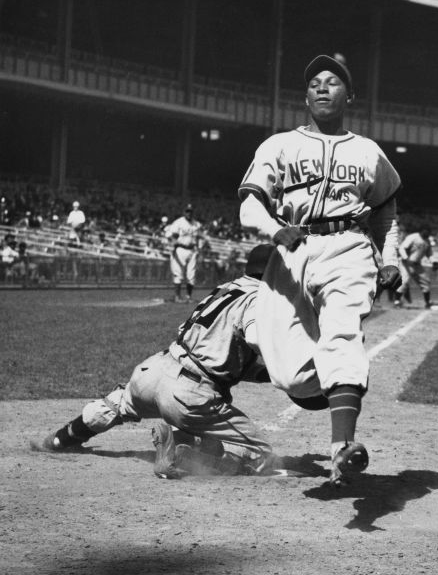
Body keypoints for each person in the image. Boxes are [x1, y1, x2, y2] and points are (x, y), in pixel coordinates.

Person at [237, 53, 403, 486]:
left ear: (350, 95)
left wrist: (390, 258)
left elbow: (386, 212)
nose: (323, 87)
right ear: (306, 96)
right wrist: (275, 231)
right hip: (291, 248)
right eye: (315, 82)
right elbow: (250, 203)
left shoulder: (368, 151)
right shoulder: (279, 144)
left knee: (342, 332)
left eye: (333, 81)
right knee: (288, 371)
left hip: (347, 245)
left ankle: (342, 447)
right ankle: (331, 391)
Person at [32, 245, 280, 479]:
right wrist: (287, 366)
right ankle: (179, 447)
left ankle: (60, 440)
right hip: (190, 395)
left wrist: (268, 374)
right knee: (261, 455)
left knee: (117, 404)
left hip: (155, 370)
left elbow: (220, 356)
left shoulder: (226, 287)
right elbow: (256, 340)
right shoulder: (260, 298)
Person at [164, 204, 204, 303]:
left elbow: (200, 237)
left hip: (192, 250)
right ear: (184, 212)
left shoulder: (197, 224)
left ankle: (188, 297)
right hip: (180, 249)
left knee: (191, 274)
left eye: (190, 211)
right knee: (178, 273)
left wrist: (200, 250)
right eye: (187, 211)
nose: (189, 213)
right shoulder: (178, 222)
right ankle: (177, 297)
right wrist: (173, 241)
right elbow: (169, 234)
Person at [395, 224, 435, 309]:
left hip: (417, 264)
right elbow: (402, 248)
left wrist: (434, 262)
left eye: (429, 231)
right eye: (427, 231)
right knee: (404, 281)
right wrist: (406, 258)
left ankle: (427, 303)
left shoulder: (427, 241)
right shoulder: (413, 237)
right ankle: (397, 301)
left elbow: (429, 253)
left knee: (425, 282)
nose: (428, 233)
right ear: (422, 230)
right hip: (405, 263)